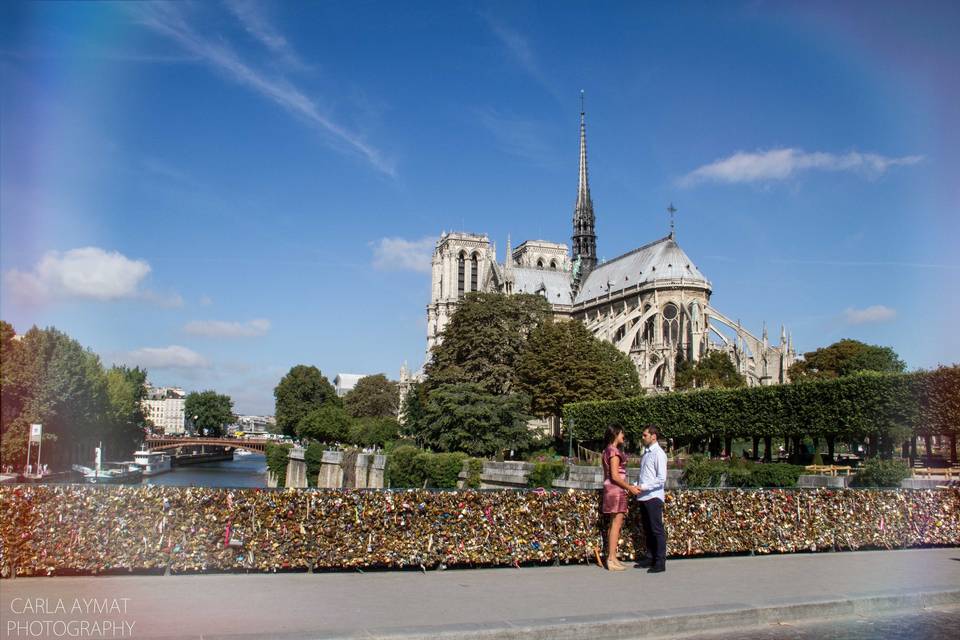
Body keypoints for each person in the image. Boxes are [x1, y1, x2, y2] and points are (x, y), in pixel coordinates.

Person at [600, 425, 640, 571]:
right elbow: (615, 476)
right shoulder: (614, 451)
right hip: (616, 491)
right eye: (622, 433)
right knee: (616, 524)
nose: (623, 435)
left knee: (613, 524)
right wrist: (630, 488)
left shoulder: (607, 450)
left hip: (610, 490)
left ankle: (612, 557)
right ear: (616, 434)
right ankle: (611, 558)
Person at [636, 424, 668, 573]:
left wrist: (644, 486)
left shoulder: (659, 454)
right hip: (644, 496)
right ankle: (650, 557)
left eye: (645, 435)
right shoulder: (646, 453)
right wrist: (637, 485)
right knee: (648, 529)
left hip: (653, 496)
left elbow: (661, 479)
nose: (643, 438)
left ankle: (660, 561)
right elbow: (645, 475)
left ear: (653, 436)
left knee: (656, 529)